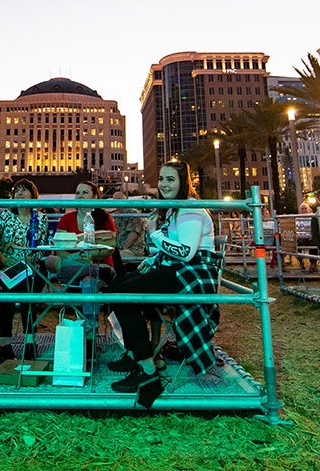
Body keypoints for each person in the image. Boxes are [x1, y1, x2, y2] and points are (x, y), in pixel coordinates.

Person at [106, 160, 218, 408]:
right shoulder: (173, 209)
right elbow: (175, 249)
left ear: (182, 182)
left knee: (123, 292)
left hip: (193, 275)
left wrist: (155, 235)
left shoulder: (189, 208)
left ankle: (147, 370)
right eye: (162, 179)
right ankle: (138, 353)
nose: (164, 184)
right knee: (118, 285)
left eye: (171, 179)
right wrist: (154, 258)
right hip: (177, 270)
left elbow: (187, 252)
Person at [0, 177, 46, 362]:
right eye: (17, 190)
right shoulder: (4, 216)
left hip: (32, 268)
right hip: (7, 267)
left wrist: (32, 261)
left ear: (33, 194)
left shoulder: (41, 218)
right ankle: (6, 342)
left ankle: (27, 341)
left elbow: (44, 246)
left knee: (27, 286)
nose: (19, 193)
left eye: (24, 190)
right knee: (10, 290)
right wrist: (4, 259)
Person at [45, 180, 117, 284]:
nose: (80, 196)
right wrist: (73, 257)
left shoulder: (105, 218)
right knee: (50, 260)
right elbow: (59, 248)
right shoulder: (66, 218)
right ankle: (94, 272)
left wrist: (85, 255)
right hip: (71, 261)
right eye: (77, 193)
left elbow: (110, 247)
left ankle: (60, 276)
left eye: (85, 192)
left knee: (88, 280)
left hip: (98, 262)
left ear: (95, 197)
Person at [113, 191, 147, 271]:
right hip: (120, 249)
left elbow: (133, 236)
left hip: (133, 250)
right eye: (114, 199)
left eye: (119, 199)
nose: (116, 202)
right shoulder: (116, 215)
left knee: (112, 259)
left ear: (125, 200)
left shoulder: (133, 214)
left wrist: (121, 248)